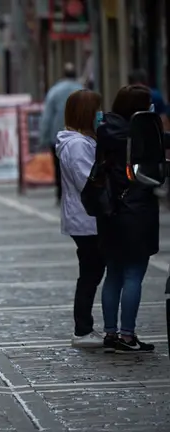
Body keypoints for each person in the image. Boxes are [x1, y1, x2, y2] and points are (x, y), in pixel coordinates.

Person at [96, 84, 159, 353]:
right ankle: (127, 335)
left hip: (110, 210)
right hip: (136, 209)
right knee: (134, 274)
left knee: (113, 274)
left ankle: (110, 332)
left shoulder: (106, 130)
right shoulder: (139, 136)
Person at [55, 89, 106, 348]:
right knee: (90, 273)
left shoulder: (81, 141)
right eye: (97, 109)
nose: (101, 114)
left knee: (92, 271)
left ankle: (85, 326)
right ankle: (82, 328)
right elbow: (87, 180)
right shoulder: (76, 145)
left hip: (86, 218)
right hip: (86, 219)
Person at [40, 62, 84, 205]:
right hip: (79, 135)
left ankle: (61, 195)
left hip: (58, 137)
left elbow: (47, 116)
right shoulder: (82, 90)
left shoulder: (54, 91)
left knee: (59, 166)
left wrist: (44, 138)